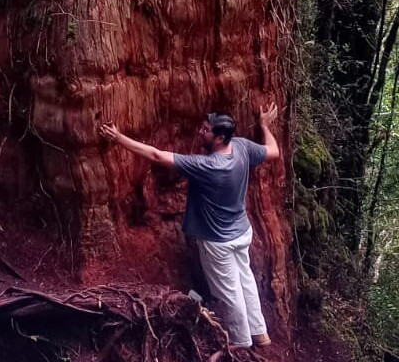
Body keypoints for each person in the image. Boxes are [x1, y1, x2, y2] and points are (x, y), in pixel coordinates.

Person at [99, 103, 281, 349]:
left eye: (206, 130)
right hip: (241, 232)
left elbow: (157, 156)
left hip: (218, 242)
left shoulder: (209, 166)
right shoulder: (242, 147)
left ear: (219, 138)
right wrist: (265, 126)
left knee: (229, 292)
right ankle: (260, 334)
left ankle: (240, 342)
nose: (200, 132)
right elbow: (273, 151)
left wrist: (119, 138)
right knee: (245, 280)